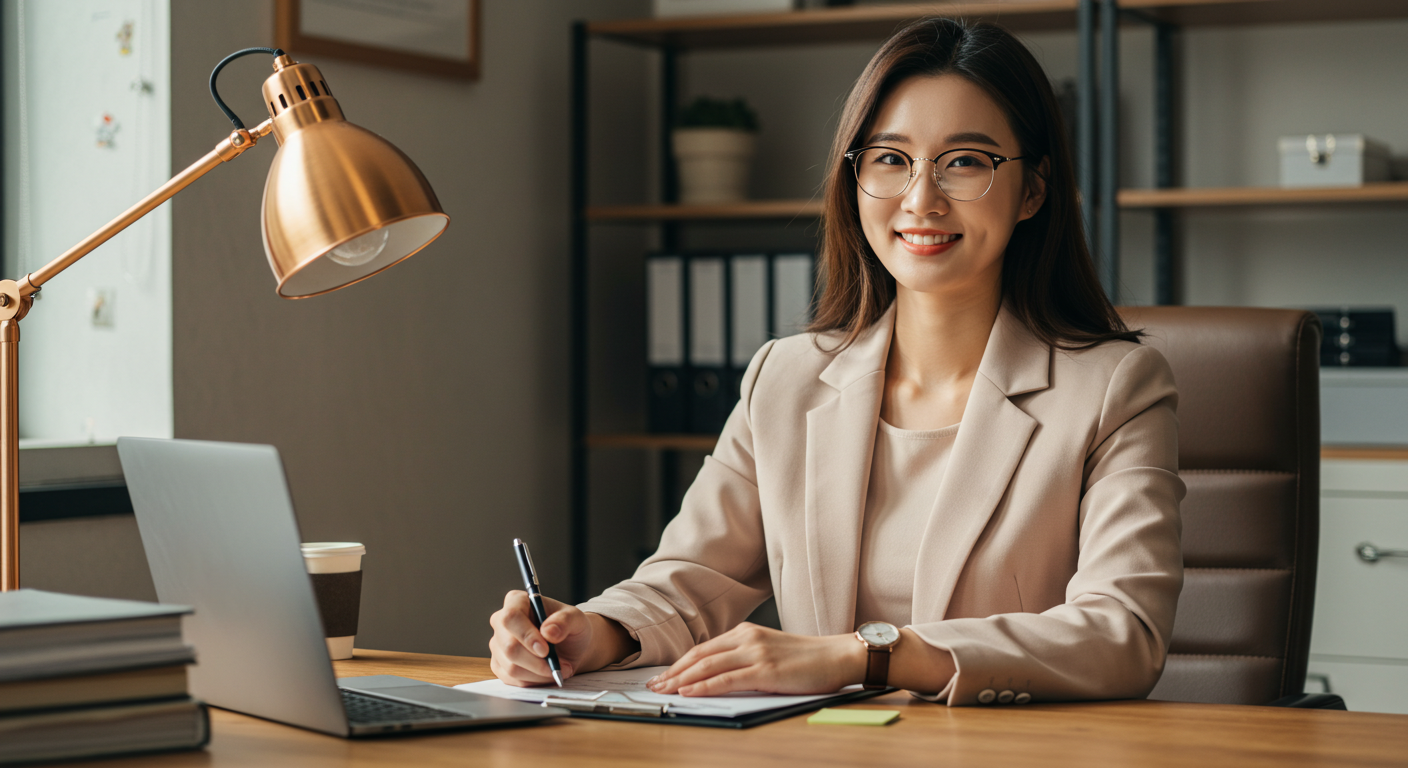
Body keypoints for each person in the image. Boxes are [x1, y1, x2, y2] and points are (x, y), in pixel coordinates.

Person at [489, 17, 1184, 706]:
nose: (921, 199)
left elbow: (1122, 633)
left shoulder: (1113, 388)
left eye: (965, 162)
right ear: (854, 179)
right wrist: (594, 632)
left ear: (1032, 189)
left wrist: (867, 656)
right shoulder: (785, 379)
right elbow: (688, 581)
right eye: (890, 159)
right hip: (819, 750)